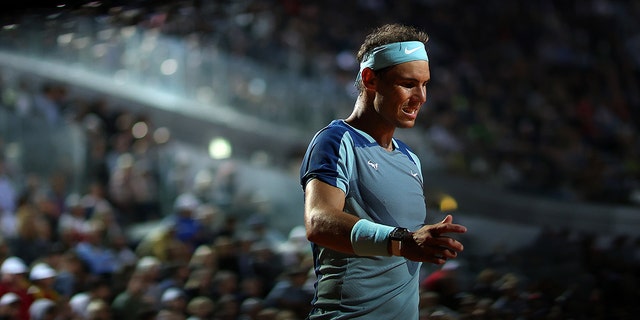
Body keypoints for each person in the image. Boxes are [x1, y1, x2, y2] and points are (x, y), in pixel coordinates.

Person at [299, 23, 468, 319]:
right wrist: (404, 241)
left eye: (425, 84)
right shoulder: (336, 140)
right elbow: (319, 221)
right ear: (370, 80)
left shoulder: (411, 159)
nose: (421, 97)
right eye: (408, 84)